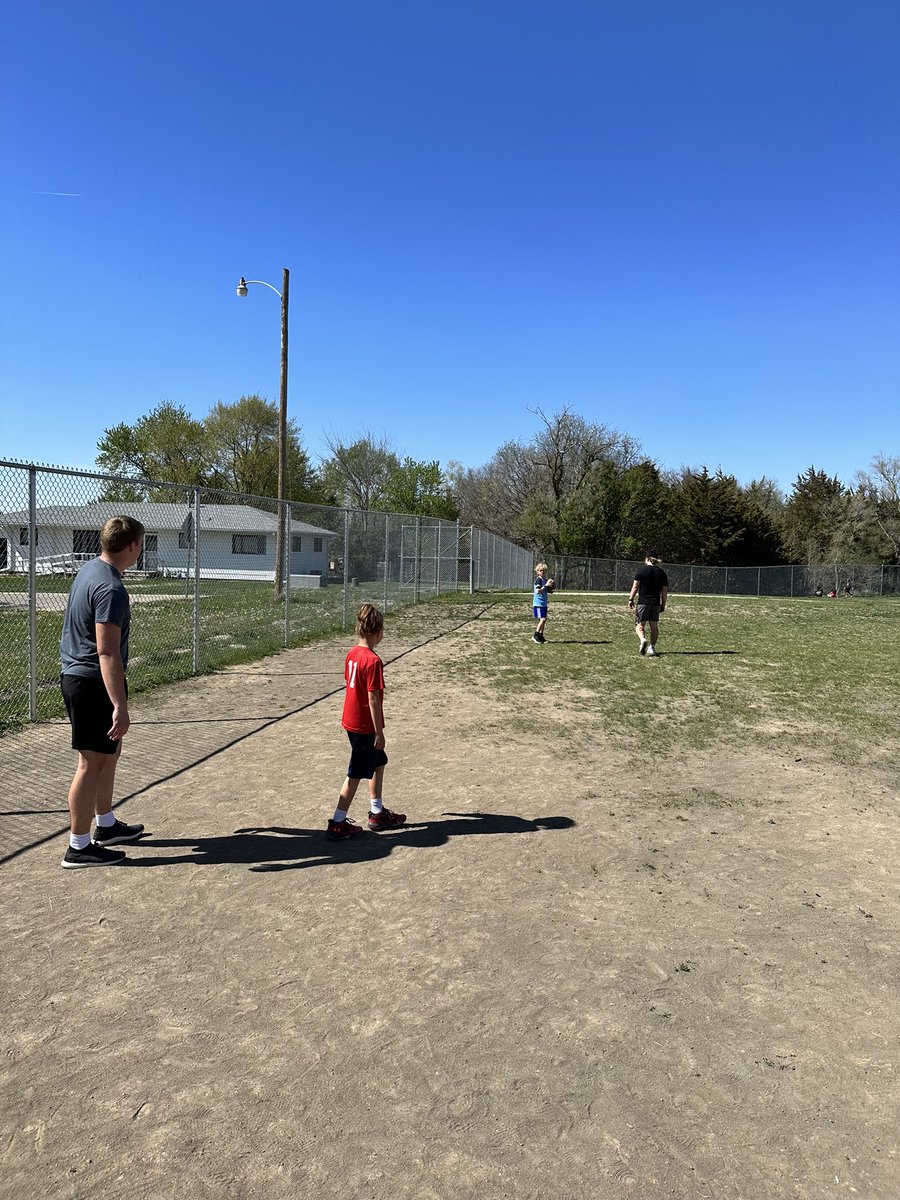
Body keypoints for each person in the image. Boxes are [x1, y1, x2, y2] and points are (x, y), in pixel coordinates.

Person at [59, 515, 146, 868]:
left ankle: (106, 825)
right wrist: (119, 705)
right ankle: (78, 847)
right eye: (140, 543)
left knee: (109, 753)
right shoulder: (110, 588)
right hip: (92, 681)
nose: (140, 549)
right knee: (90, 762)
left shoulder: (92, 570)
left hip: (89, 679)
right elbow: (106, 650)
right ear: (131, 546)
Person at [327, 603, 406, 840]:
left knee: (378, 761)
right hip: (364, 726)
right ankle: (338, 822)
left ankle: (376, 811)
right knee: (355, 773)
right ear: (377, 632)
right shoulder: (372, 661)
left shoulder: (352, 654)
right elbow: (373, 698)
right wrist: (378, 731)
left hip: (351, 721)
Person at [628, 552, 669, 657]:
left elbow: (635, 587)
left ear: (647, 559)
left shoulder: (642, 570)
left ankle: (642, 639)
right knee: (654, 626)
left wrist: (631, 599)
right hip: (655, 603)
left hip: (643, 603)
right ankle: (652, 647)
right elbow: (664, 591)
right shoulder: (661, 573)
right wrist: (663, 604)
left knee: (639, 625)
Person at [532, 561, 550, 643]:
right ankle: (535, 635)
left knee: (544, 620)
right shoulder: (538, 580)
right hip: (538, 603)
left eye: (544, 570)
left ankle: (541, 636)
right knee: (543, 619)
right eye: (540, 570)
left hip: (544, 603)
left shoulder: (545, 580)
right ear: (537, 571)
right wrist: (546, 586)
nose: (542, 572)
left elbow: (548, 590)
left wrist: (551, 587)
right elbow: (538, 591)